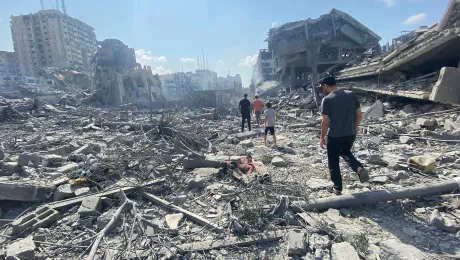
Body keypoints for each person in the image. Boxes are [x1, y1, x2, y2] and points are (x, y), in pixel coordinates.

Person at [320, 76, 369, 195]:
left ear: (326, 86)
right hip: (350, 133)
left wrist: (322, 137)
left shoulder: (327, 99)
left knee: (333, 160)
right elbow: (359, 115)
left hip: (335, 136)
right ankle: (359, 168)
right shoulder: (351, 94)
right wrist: (355, 127)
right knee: (345, 152)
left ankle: (337, 187)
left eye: (324, 88)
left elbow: (325, 122)